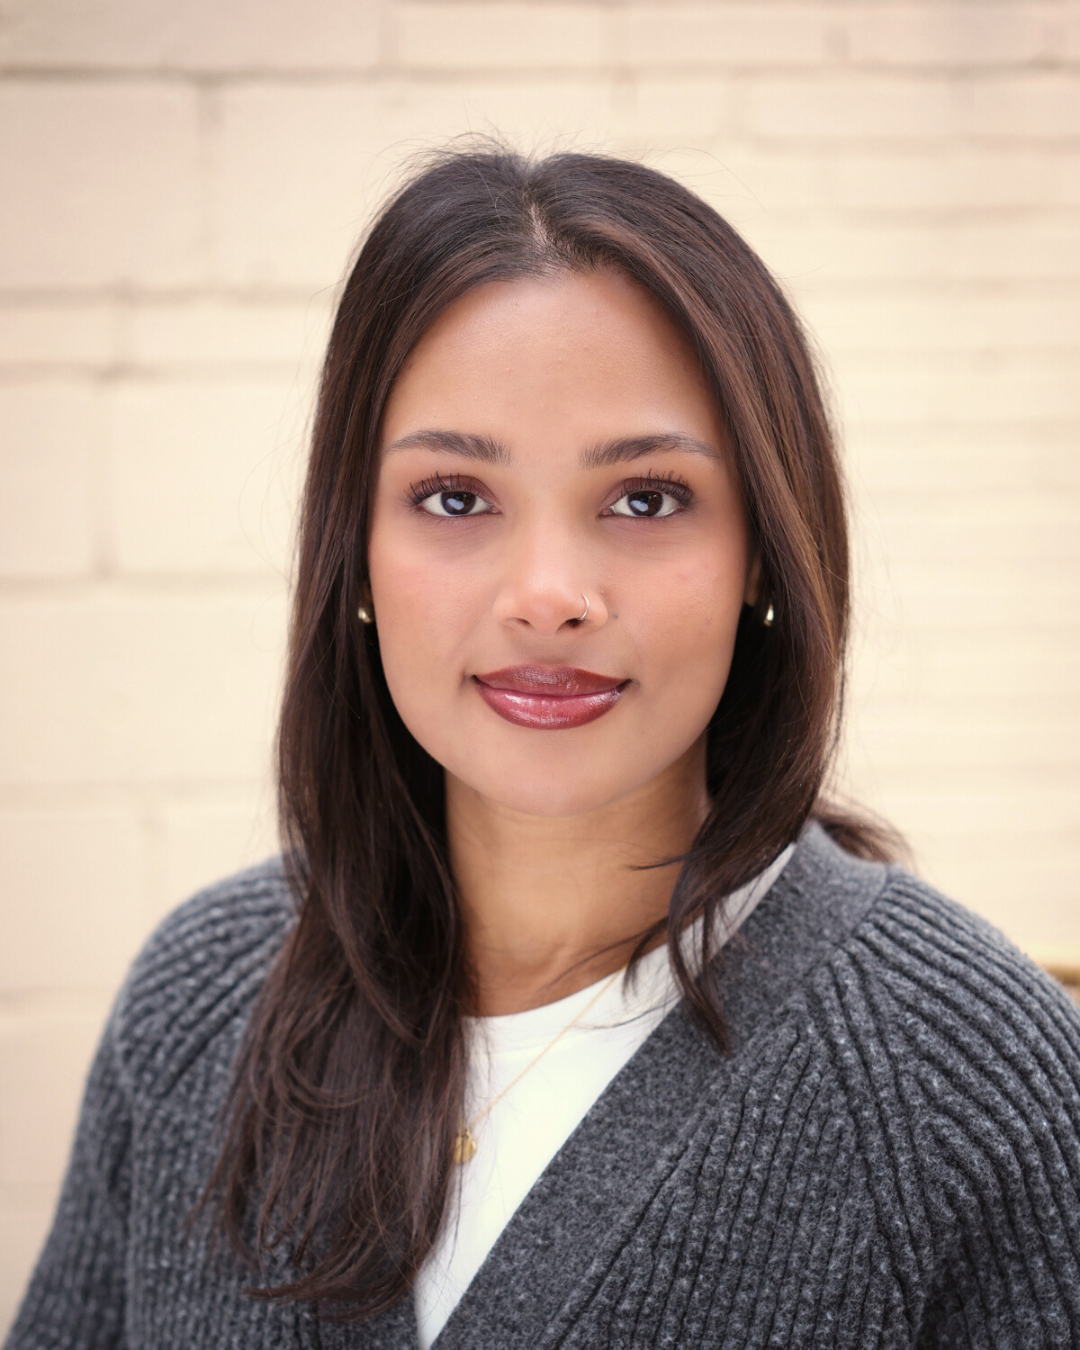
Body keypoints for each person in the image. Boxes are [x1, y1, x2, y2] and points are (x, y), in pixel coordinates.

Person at [7, 146, 1080, 1350]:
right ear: (354, 556)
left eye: (646, 498)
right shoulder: (202, 1001)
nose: (550, 596)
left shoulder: (960, 1072)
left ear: (764, 556)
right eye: (456, 497)